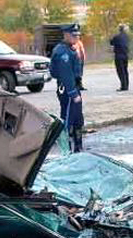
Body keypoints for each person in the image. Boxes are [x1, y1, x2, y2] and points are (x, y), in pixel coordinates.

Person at [49, 24, 84, 153]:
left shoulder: (70, 48)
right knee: (68, 119)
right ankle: (66, 149)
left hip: (73, 86)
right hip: (67, 89)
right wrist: (73, 93)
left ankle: (78, 147)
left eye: (78, 35)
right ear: (66, 35)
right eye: (74, 35)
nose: (77, 38)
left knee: (77, 118)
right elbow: (66, 74)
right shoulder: (62, 51)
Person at [110, 24, 130, 91]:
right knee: (125, 70)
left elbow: (111, 42)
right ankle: (126, 85)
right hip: (125, 55)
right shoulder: (126, 36)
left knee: (120, 71)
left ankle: (123, 86)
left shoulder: (116, 37)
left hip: (118, 55)